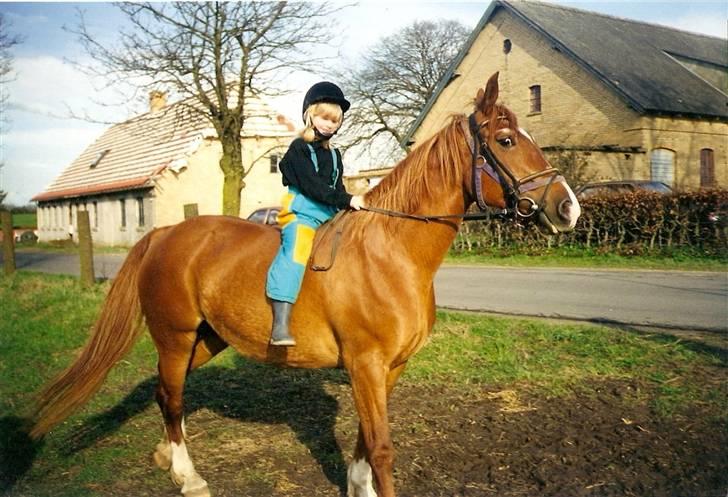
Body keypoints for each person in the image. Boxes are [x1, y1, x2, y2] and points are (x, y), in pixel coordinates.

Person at [265, 81, 366, 346]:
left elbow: (337, 186)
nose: (329, 124)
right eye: (324, 117)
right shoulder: (299, 148)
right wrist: (346, 199)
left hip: (329, 214)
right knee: (296, 251)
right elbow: (313, 186)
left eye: (334, 121)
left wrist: (349, 205)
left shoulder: (335, 155)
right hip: (303, 213)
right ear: (310, 115)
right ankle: (280, 323)